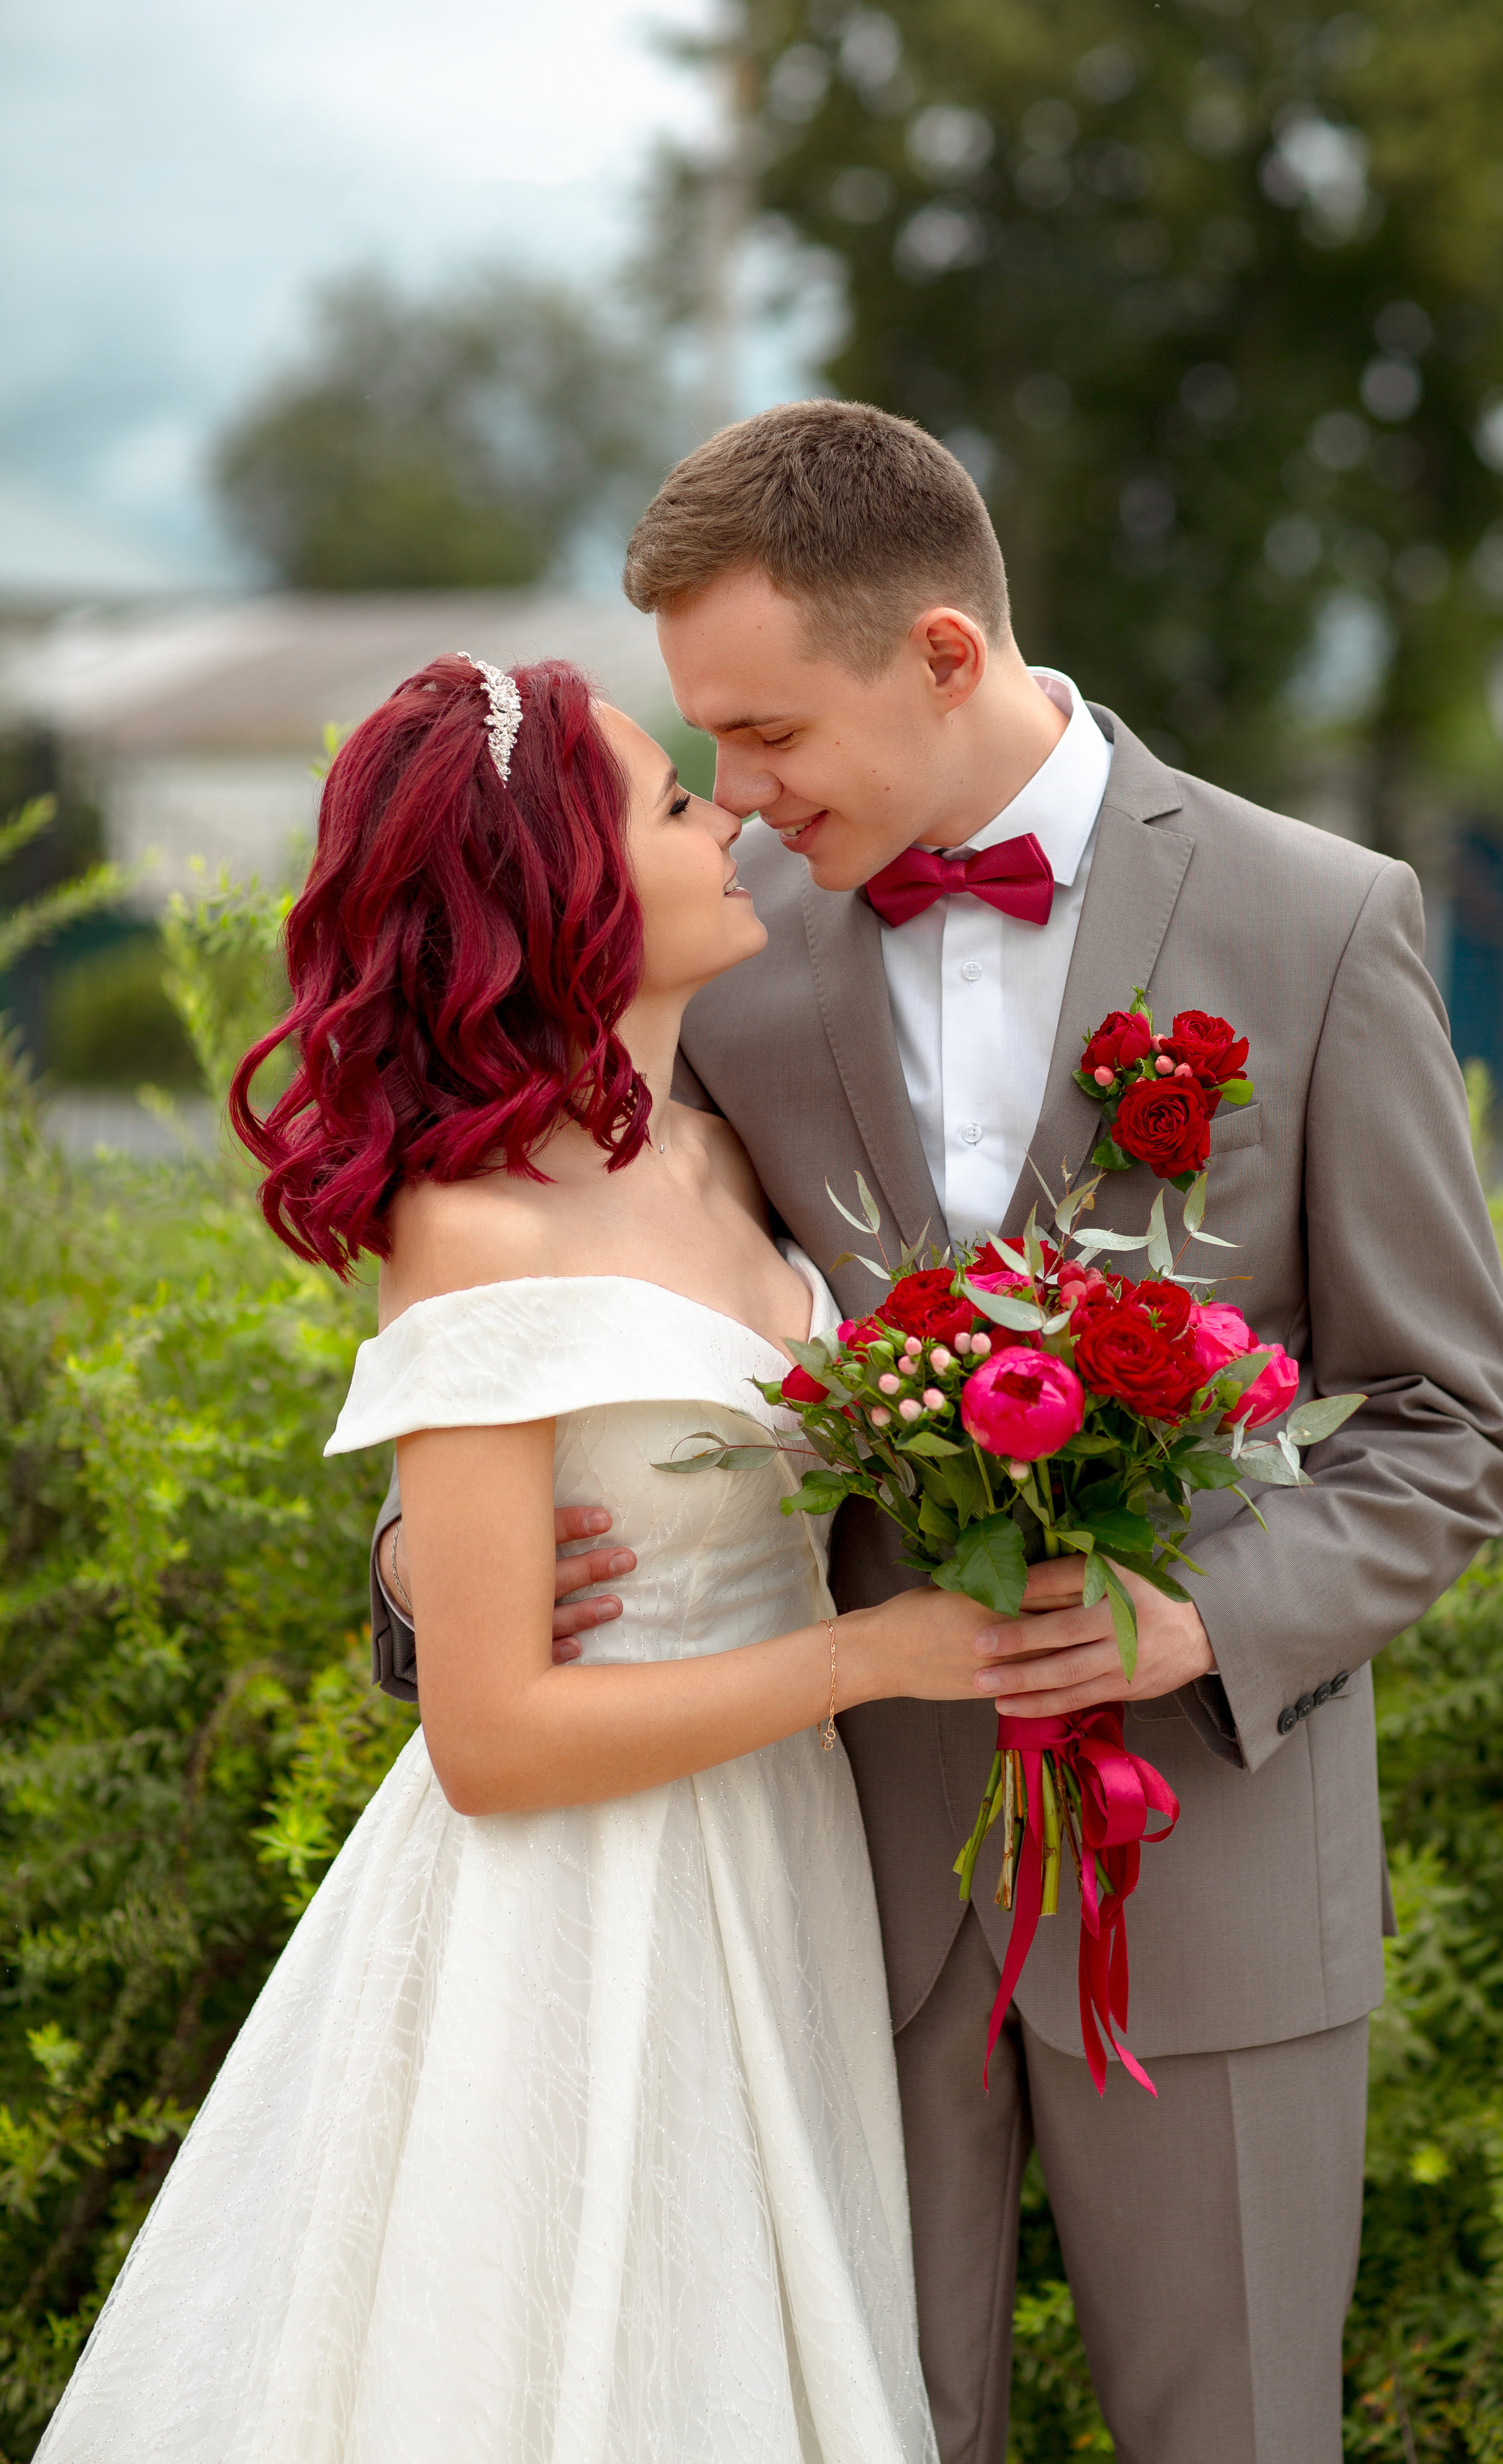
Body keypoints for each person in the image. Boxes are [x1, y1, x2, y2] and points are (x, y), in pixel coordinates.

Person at [374, 404, 1503, 2464]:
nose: (733, 800)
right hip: (831, 1904)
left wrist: (1197, 1617)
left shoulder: (1318, 919)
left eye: (769, 734)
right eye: (702, 749)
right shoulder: (719, 967)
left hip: (1218, 1879)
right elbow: (559, 1305)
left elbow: (1458, 1422)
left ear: (935, 652)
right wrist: (424, 1574)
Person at [34, 650, 1036, 2464]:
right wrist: (869, 1659)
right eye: (673, 802)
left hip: (777, 1864)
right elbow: (488, 1744)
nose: (729, 809)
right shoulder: (473, 1227)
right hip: (585, 1897)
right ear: (561, 889)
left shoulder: (739, 1161)